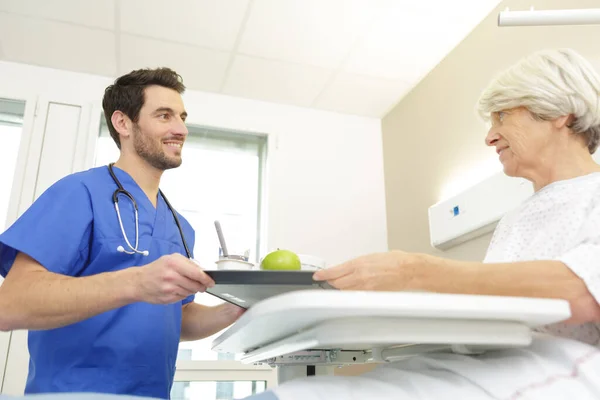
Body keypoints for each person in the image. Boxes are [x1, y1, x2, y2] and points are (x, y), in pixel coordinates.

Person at [243, 48, 600, 399]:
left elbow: (584, 290)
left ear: (561, 114)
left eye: (502, 116)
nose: (489, 136)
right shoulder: (515, 220)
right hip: (483, 366)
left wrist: (415, 270)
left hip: (560, 370)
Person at [0, 67, 244, 399]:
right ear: (123, 123)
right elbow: (11, 304)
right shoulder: (79, 193)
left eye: (182, 117)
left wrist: (236, 308)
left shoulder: (180, 226)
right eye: (164, 115)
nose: (181, 129)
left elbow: (178, 318)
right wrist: (136, 282)